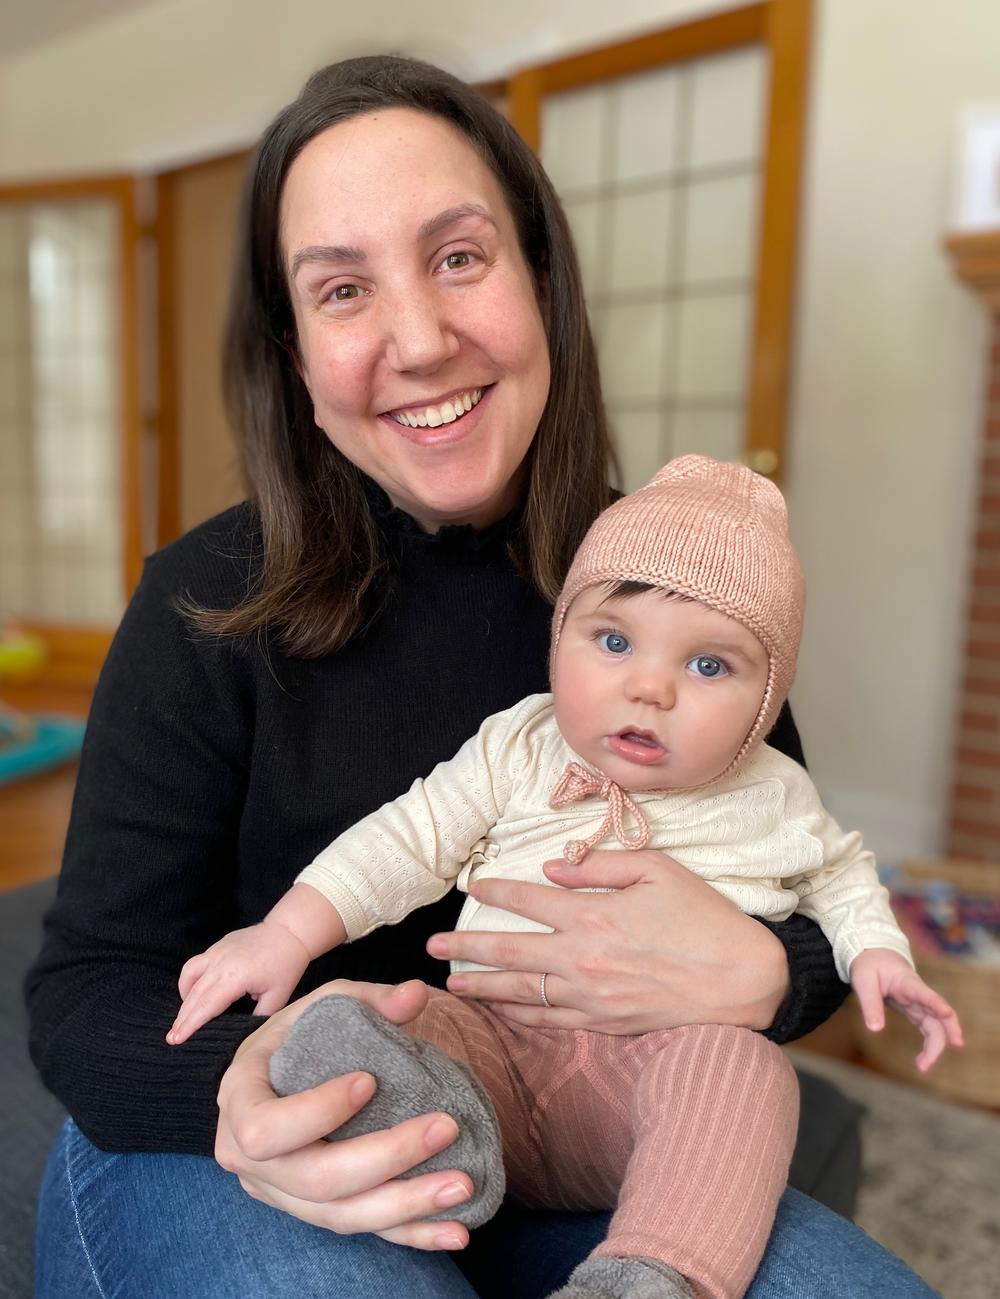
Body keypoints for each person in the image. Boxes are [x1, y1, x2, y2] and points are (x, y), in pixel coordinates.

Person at [25, 55, 943, 1299]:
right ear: (294, 352)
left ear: (540, 283)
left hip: (586, 1136)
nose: (418, 339)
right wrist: (232, 1095)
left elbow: (799, 860)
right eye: (343, 290)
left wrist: (770, 969)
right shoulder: (204, 600)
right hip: (248, 1138)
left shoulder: (673, 579)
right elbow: (85, 990)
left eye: (459, 258)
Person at [166, 456, 961, 1299]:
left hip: (645, 1088)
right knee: (360, 1011)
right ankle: (432, 1136)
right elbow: (408, 836)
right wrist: (288, 931)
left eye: (710, 666)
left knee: (742, 1072)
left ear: (766, 702)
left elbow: (839, 872)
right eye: (614, 642)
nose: (648, 688)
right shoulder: (519, 744)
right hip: (488, 1053)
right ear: (561, 639)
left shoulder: (772, 790)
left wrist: (877, 952)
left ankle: (650, 1274)